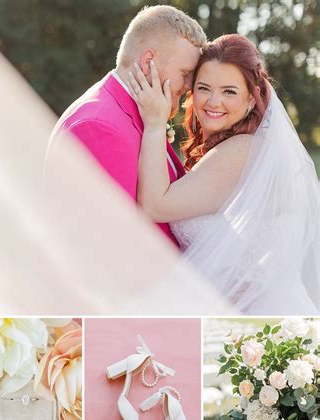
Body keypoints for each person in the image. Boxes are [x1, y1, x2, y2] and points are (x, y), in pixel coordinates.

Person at [127, 34, 320, 314]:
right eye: (204, 88)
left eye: (229, 91)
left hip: (261, 323)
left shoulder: (242, 150)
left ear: (252, 100)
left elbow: (156, 206)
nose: (213, 102)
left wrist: (155, 124)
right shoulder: (238, 148)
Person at [48, 5, 206, 245]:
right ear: (148, 62)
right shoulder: (98, 126)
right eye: (185, 73)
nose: (188, 86)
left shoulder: (144, 115)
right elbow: (114, 246)